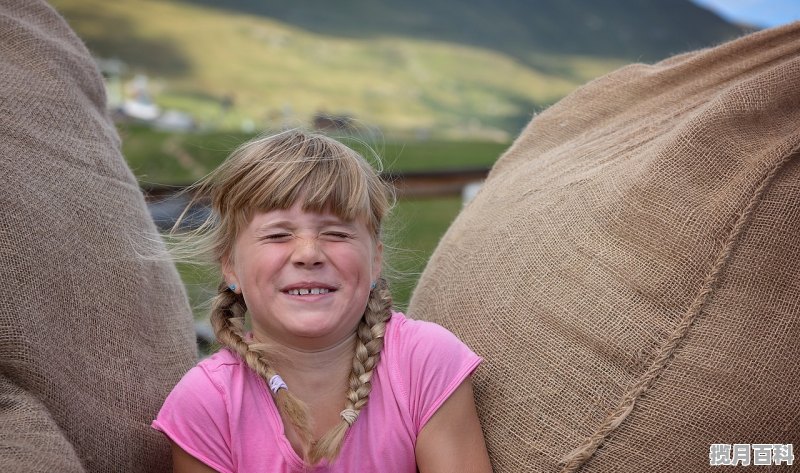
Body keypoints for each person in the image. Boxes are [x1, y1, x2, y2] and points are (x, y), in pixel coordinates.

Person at [152, 129, 492, 472]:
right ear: (230, 267)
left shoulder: (425, 361)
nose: (309, 253)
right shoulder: (208, 402)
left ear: (374, 260)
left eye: (336, 233)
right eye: (277, 235)